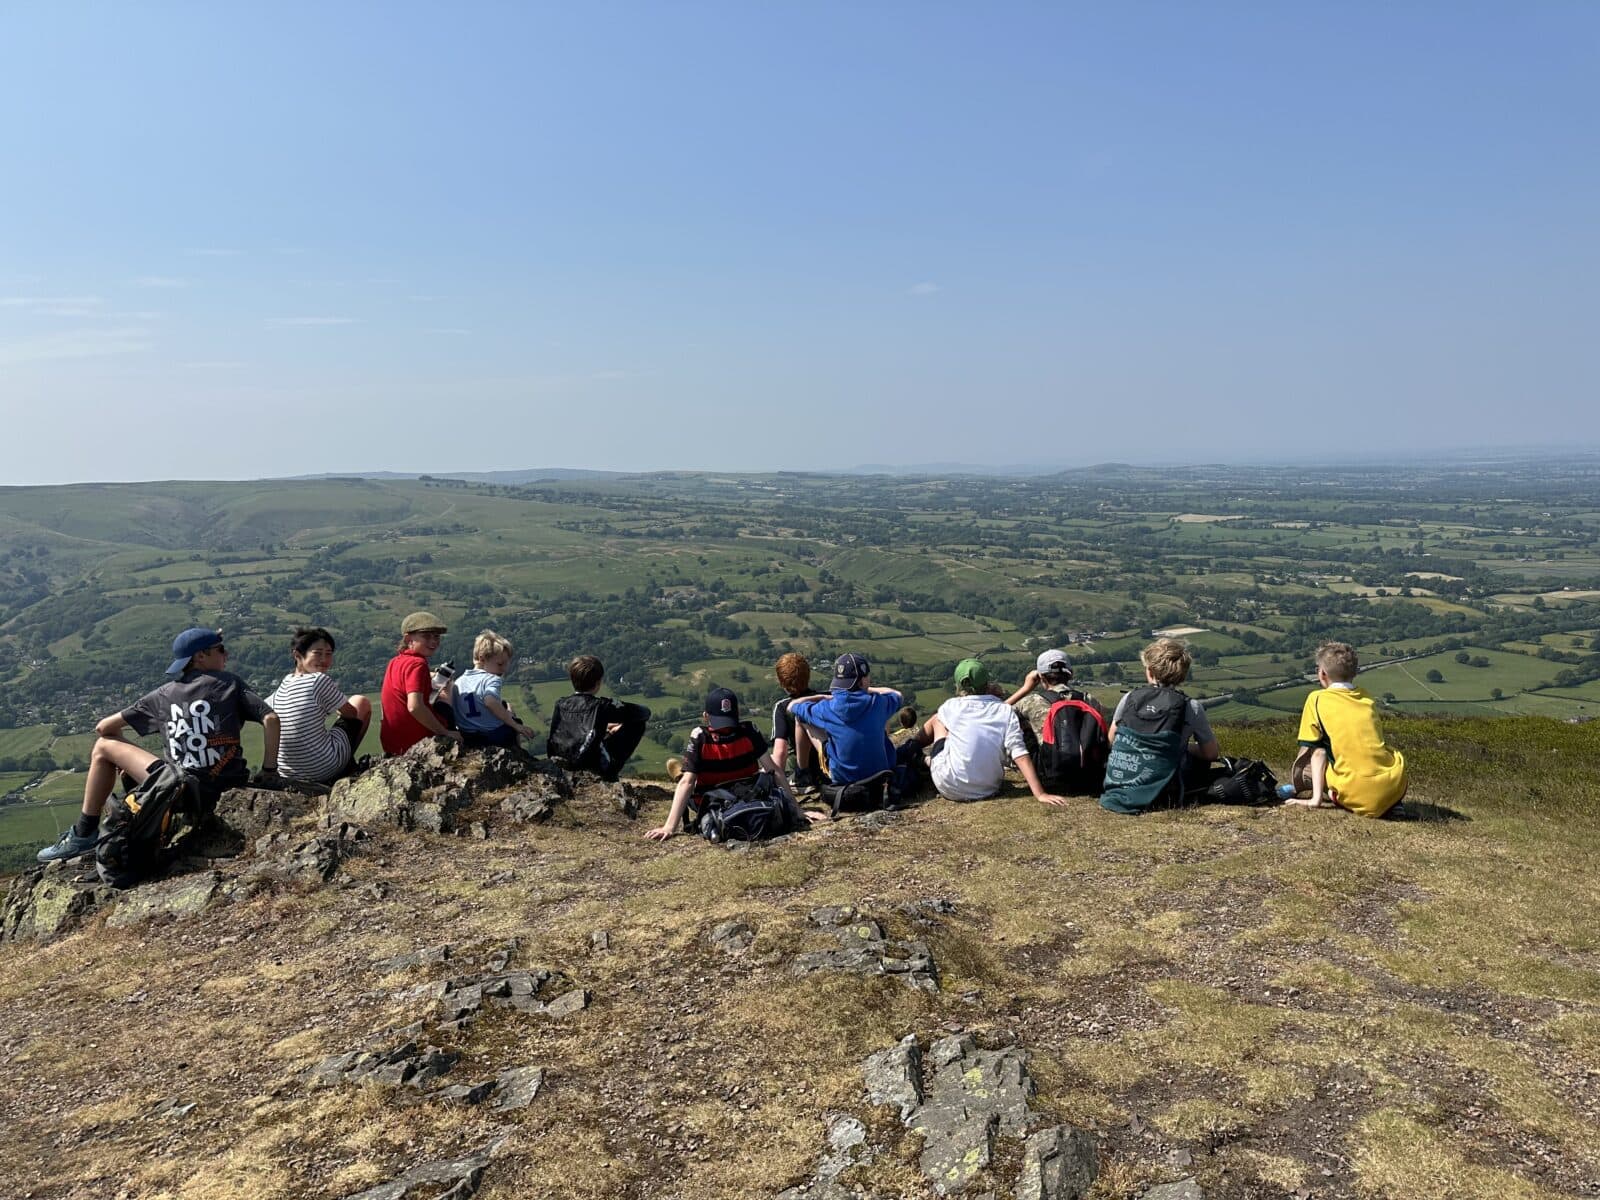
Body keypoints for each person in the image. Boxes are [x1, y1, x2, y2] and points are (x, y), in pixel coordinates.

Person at [37, 627, 280, 862]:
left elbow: (104, 728)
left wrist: (131, 761)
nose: (226, 655)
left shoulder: (162, 695)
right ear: (200, 656)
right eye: (221, 650)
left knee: (103, 746)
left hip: (178, 794)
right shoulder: (229, 683)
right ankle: (86, 832)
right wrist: (269, 770)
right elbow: (270, 719)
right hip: (227, 785)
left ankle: (83, 833)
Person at [646, 687, 815, 841]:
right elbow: (774, 771)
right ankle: (684, 771)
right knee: (763, 773)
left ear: (706, 716)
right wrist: (797, 810)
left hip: (714, 800)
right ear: (737, 713)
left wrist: (669, 827)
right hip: (749, 795)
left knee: (688, 780)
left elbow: (687, 783)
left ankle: (683, 772)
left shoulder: (701, 737)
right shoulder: (749, 731)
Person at [911, 659, 1068, 806]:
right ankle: (925, 760)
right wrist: (1040, 794)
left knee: (938, 720)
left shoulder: (950, 707)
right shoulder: (1004, 710)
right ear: (987, 683)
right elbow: (1018, 752)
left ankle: (911, 749)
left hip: (949, 786)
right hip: (989, 788)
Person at [1283, 641, 1408, 818]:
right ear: (1354, 673)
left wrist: (1315, 799)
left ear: (1322, 673)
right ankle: (1393, 803)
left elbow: (1317, 752)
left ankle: (1305, 793)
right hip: (1394, 786)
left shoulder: (1316, 699)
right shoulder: (1366, 696)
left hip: (1354, 793)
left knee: (1314, 756)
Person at [1100, 638, 1220, 815]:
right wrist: (1186, 748)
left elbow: (1111, 741)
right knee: (1199, 762)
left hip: (1117, 786)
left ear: (1149, 671)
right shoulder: (1190, 706)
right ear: (1183, 674)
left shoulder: (1129, 698)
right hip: (1163, 795)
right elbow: (1211, 754)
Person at [266, 627, 371, 784]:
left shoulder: (279, 690)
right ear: (298, 655)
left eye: (328, 654)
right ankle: (345, 765)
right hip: (323, 769)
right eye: (318, 653)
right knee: (360, 702)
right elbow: (351, 713)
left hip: (289, 775)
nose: (324, 659)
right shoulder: (318, 680)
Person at [787, 652, 902, 786]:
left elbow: (792, 706)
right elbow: (897, 694)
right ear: (862, 681)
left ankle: (802, 773)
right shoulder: (877, 703)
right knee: (883, 716)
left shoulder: (827, 707)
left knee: (801, 719)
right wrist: (867, 689)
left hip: (843, 779)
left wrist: (823, 698)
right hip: (880, 775)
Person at [546, 654, 651, 780]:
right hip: (592, 765)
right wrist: (619, 723)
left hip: (559, 760)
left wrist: (604, 725)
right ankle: (610, 775)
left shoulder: (560, 703)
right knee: (637, 724)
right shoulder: (601, 706)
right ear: (598, 682)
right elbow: (644, 713)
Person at [380, 612, 462, 756]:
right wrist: (445, 732)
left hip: (391, 743)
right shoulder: (418, 664)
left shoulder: (394, 662)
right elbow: (414, 706)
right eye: (426, 636)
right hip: (415, 742)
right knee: (446, 698)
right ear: (408, 639)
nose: (433, 641)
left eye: (436, 636)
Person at [452, 630, 539, 750]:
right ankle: (517, 752)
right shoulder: (491, 679)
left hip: (468, 737)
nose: (504, 669)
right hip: (492, 736)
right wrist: (516, 725)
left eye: (506, 664)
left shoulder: (459, 681)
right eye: (500, 664)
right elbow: (490, 701)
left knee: (504, 705)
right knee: (513, 721)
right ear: (482, 659)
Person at [1006, 648, 1104, 755]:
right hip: (1088, 767)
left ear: (1041, 677)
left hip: (1049, 767)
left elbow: (997, 714)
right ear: (1071, 674)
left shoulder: (1031, 702)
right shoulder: (1090, 700)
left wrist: (1025, 688)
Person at [770, 652, 825, 792]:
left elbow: (780, 752)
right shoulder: (825, 698)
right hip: (831, 765)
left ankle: (801, 777)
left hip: (807, 774)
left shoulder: (783, 708)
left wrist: (776, 784)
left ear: (781, 682)